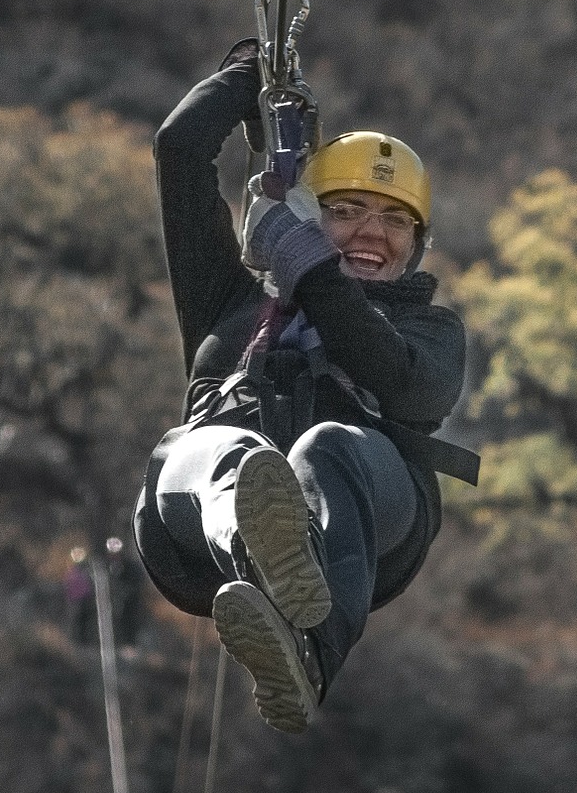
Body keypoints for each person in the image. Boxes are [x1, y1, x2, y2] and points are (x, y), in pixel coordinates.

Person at [132, 39, 475, 733]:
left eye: (395, 220)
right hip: (199, 530)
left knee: (326, 445)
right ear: (311, 213)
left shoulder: (432, 331)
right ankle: (260, 551)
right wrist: (247, 79)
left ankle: (309, 650)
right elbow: (180, 150)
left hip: (362, 522)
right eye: (347, 210)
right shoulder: (229, 301)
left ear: (418, 244)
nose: (372, 233)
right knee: (218, 447)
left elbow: (402, 383)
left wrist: (306, 264)